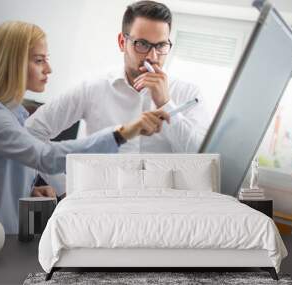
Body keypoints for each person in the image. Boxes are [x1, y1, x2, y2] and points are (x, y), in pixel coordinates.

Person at [0, 21, 169, 234]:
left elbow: (1, 176)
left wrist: (28, 191)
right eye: (39, 61)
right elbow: (46, 156)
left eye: (46, 59)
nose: (49, 69)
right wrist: (122, 133)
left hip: (6, 239)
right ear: (13, 64)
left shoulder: (14, 115)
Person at [25, 0, 211, 196]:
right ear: (123, 42)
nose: (153, 56)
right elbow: (31, 133)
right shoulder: (93, 89)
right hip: (97, 209)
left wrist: (166, 102)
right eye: (142, 44)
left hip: (162, 212)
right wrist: (66, 187)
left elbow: (202, 162)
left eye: (161, 45)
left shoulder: (189, 93)